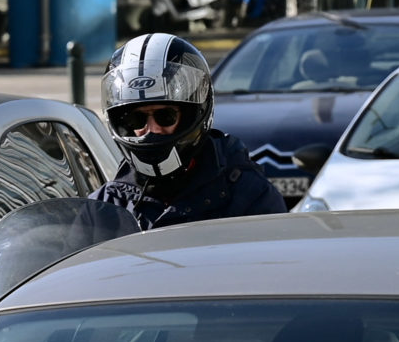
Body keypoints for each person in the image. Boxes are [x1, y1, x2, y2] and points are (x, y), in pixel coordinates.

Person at [91, 34, 286, 228]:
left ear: (191, 116)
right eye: (136, 119)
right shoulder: (105, 207)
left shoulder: (249, 195)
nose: (152, 129)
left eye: (166, 116)